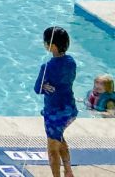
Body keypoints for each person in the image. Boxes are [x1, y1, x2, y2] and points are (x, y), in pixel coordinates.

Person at [36, 25, 77, 177]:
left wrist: (45, 85)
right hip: (70, 110)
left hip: (54, 113)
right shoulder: (71, 62)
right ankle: (68, 170)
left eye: (45, 42)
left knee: (52, 149)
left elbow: (37, 88)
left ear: (52, 46)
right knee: (59, 138)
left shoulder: (47, 66)